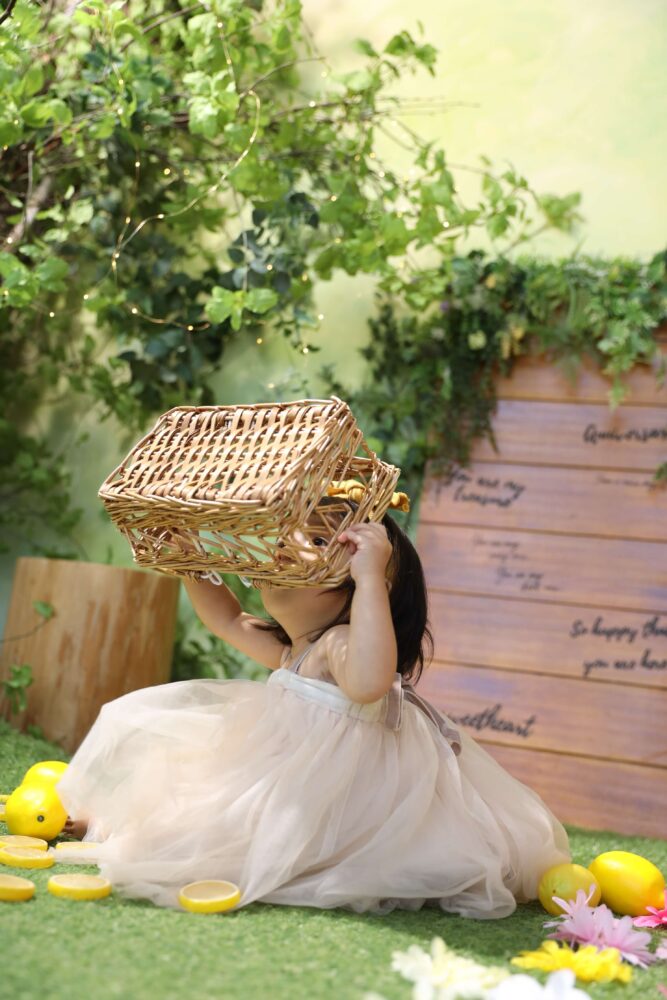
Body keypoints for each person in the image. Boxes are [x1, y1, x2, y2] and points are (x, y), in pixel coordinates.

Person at [56, 484, 570, 916]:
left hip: (341, 807)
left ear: (362, 593)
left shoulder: (340, 646)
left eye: (321, 539)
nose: (291, 542)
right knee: (198, 795)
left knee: (228, 834)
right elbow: (228, 620)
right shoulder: (296, 651)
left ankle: (137, 834)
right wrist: (191, 559)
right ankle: (120, 825)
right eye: (295, 531)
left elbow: (369, 682)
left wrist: (370, 578)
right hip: (292, 784)